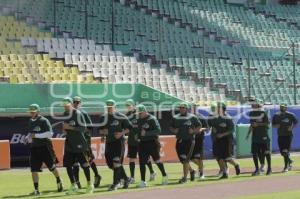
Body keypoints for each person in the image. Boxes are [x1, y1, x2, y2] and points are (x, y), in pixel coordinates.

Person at [26, 104, 63, 196]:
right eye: (31, 111)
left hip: (45, 147)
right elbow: (31, 133)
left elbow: (50, 134)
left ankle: (59, 180)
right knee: (33, 169)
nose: (31, 113)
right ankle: (36, 189)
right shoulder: (30, 121)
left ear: (38, 111)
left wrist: (36, 136)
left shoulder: (44, 120)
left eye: (33, 111)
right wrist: (28, 138)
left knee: (52, 167)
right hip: (34, 147)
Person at [62, 97, 94, 194]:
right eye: (64, 106)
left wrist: (70, 127)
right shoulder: (65, 114)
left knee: (85, 165)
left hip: (80, 143)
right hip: (69, 143)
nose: (66, 108)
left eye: (67, 106)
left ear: (71, 104)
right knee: (68, 165)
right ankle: (73, 185)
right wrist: (64, 130)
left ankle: (89, 184)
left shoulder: (78, 114)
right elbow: (65, 127)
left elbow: (83, 128)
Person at [99, 99, 131, 191]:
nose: (109, 109)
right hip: (109, 143)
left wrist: (122, 133)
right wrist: (102, 134)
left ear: (115, 107)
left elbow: (130, 128)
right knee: (111, 164)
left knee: (116, 162)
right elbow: (100, 129)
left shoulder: (121, 117)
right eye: (108, 107)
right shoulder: (103, 117)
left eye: (111, 107)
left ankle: (116, 183)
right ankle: (126, 179)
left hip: (119, 142)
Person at [72, 96, 101, 188]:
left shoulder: (83, 113)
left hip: (84, 141)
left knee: (88, 159)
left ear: (81, 103)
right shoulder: (71, 114)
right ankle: (77, 181)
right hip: (74, 141)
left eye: (78, 102)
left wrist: (85, 138)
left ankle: (97, 175)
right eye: (75, 102)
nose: (76, 103)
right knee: (75, 161)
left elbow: (90, 127)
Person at [136, 104, 168, 188]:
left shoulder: (152, 119)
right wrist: (138, 136)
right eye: (138, 113)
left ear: (145, 111)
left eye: (140, 113)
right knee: (142, 162)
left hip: (152, 142)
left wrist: (146, 133)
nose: (139, 114)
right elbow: (139, 131)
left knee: (157, 160)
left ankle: (164, 175)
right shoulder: (139, 120)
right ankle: (143, 181)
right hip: (142, 143)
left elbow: (158, 130)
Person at [125, 99, 156, 184]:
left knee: (145, 159)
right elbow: (126, 128)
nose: (128, 107)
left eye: (129, 105)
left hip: (140, 140)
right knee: (131, 159)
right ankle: (132, 177)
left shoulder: (139, 113)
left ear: (133, 105)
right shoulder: (126, 116)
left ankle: (152, 172)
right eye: (127, 106)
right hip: (131, 140)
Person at [170, 102, 202, 183]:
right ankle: (191, 171)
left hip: (190, 141)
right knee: (182, 160)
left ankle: (184, 178)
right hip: (180, 141)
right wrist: (174, 130)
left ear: (187, 109)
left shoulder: (192, 117)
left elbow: (199, 126)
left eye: (183, 108)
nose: (181, 109)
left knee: (186, 160)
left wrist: (193, 131)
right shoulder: (175, 117)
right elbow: (171, 126)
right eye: (180, 108)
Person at [208, 102, 240, 179]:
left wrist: (222, 134)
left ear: (223, 109)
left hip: (227, 140)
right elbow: (209, 124)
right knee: (218, 157)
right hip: (217, 139)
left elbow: (232, 129)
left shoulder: (227, 118)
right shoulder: (213, 117)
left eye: (219, 108)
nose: (217, 109)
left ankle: (236, 164)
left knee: (227, 157)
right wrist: (212, 128)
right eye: (217, 108)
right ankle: (225, 173)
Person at [246, 100, 272, 176]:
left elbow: (267, 123)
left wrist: (258, 124)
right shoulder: (251, 114)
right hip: (255, 137)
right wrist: (248, 134)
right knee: (254, 153)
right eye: (252, 105)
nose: (252, 106)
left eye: (254, 105)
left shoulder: (263, 113)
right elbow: (252, 124)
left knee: (266, 152)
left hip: (263, 136)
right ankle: (257, 169)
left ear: (258, 106)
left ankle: (269, 169)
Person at [272, 103, 298, 172]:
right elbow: (273, 124)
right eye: (281, 107)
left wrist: (291, 127)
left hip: (288, 135)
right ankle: (289, 161)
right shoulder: (276, 115)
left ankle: (286, 167)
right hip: (280, 135)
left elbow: (296, 122)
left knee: (285, 151)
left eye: (283, 107)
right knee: (282, 152)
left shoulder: (290, 115)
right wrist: (276, 126)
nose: (282, 108)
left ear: (286, 108)